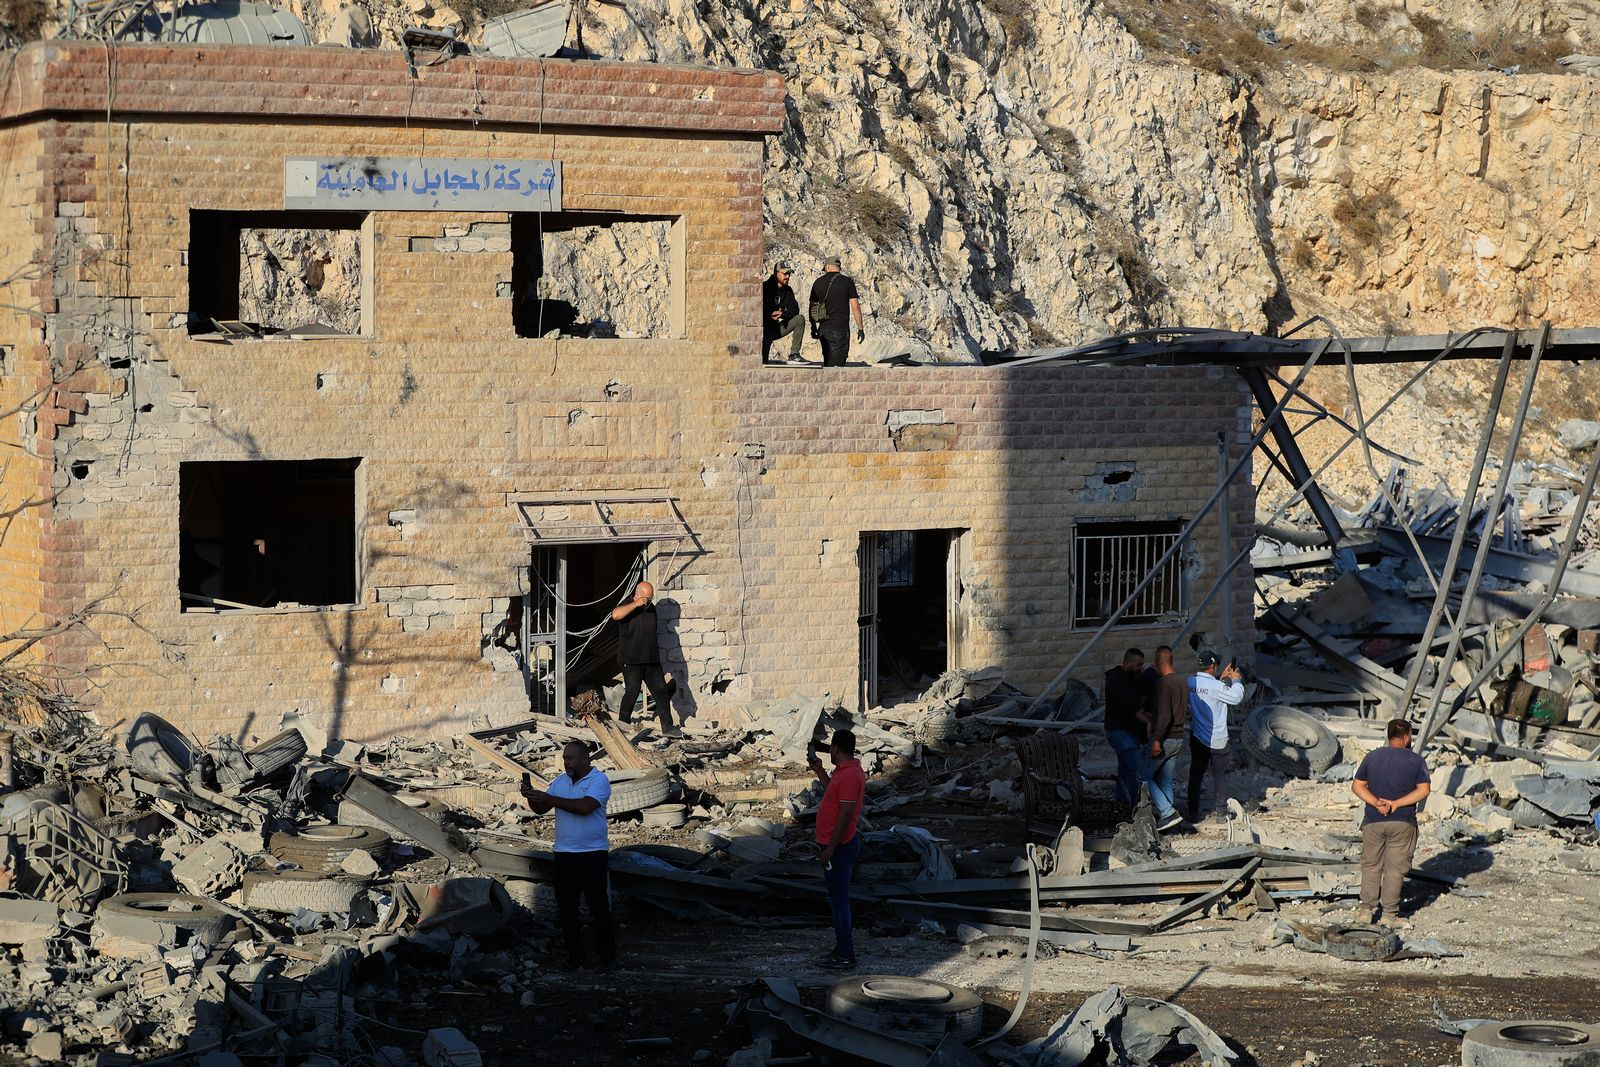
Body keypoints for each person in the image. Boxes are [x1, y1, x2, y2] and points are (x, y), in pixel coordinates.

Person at [522, 742, 614, 968]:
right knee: (566, 909)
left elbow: (585, 807)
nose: (566, 762)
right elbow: (541, 809)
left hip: (592, 854)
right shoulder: (560, 782)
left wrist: (550, 799)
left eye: (570, 758)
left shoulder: (599, 780)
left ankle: (606, 958)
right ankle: (575, 957)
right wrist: (531, 797)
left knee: (598, 907)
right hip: (564, 854)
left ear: (585, 759)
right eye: (564, 758)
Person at [1352, 718, 1431, 924]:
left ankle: (1366, 911)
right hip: (1402, 821)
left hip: (1373, 820)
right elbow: (1424, 790)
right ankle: (1389, 915)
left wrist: (1377, 802)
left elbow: (1357, 786)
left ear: (1389, 736)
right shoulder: (1416, 760)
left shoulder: (1372, 757)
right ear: (1406, 737)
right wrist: (1396, 803)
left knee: (1371, 866)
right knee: (1395, 870)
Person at [807, 729, 866, 970]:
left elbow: (845, 814)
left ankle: (845, 954)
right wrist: (820, 771)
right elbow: (834, 795)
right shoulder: (844, 772)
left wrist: (830, 848)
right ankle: (842, 949)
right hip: (835, 844)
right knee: (837, 899)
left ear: (836, 748)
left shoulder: (850, 775)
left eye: (831, 748)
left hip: (840, 846)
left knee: (839, 902)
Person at [610, 581, 682, 738]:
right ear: (637, 595)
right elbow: (615, 615)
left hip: (651, 660)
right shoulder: (627, 605)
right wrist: (636, 604)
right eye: (646, 598)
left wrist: (646, 603)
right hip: (631, 661)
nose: (648, 601)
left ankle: (668, 727)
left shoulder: (651, 608)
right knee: (632, 692)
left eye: (651, 598)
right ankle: (622, 726)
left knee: (661, 691)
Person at [1187, 650, 1244, 823]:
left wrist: (1220, 677)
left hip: (1198, 737)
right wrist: (1236, 680)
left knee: (1196, 774)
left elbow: (1207, 690)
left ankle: (1192, 812)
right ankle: (1221, 813)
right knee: (1219, 776)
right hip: (1217, 740)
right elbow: (1236, 698)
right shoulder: (1217, 687)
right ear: (1213, 666)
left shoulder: (1190, 682)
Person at [1143, 645, 1188, 833]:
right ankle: (1169, 821)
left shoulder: (1163, 684)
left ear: (1158, 663)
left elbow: (1164, 716)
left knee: (1143, 776)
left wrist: (1155, 739)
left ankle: (1167, 812)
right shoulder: (1182, 681)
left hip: (1165, 738)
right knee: (1165, 780)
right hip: (1178, 737)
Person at [1103, 647, 1153, 813]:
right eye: (1138, 664)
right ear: (1127, 663)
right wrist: (1148, 722)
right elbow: (1133, 707)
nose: (1140, 668)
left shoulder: (1129, 679)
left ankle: (1121, 806)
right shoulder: (1118, 680)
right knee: (1136, 769)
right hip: (1120, 732)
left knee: (1125, 771)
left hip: (1127, 732)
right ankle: (1131, 807)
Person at [808, 256, 865, 367]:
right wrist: (860, 329)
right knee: (838, 367)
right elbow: (855, 307)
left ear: (828, 267)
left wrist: (813, 327)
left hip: (823, 329)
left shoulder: (818, 282)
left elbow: (812, 308)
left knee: (828, 362)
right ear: (839, 267)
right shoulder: (847, 282)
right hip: (840, 330)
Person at [761, 263, 805, 363]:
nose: (787, 276)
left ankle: (794, 355)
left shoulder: (788, 290)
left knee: (799, 319)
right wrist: (769, 314)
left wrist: (783, 314)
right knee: (762, 362)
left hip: (776, 329)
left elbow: (795, 310)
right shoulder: (765, 287)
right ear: (776, 273)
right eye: (785, 273)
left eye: (789, 273)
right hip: (763, 331)